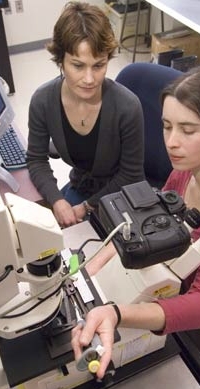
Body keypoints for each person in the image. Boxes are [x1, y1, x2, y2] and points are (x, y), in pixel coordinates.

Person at [71, 66, 200, 382]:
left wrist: (115, 313)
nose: (171, 142)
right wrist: (85, 277)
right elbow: (144, 230)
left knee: (126, 372)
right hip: (177, 294)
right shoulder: (185, 171)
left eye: (187, 130)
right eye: (166, 126)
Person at [26, 2, 145, 228]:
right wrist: (57, 200)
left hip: (122, 195)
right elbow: (36, 159)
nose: (89, 79)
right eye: (78, 66)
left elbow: (131, 175)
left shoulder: (127, 106)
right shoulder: (43, 101)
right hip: (80, 188)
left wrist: (85, 207)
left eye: (98, 65)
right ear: (60, 60)